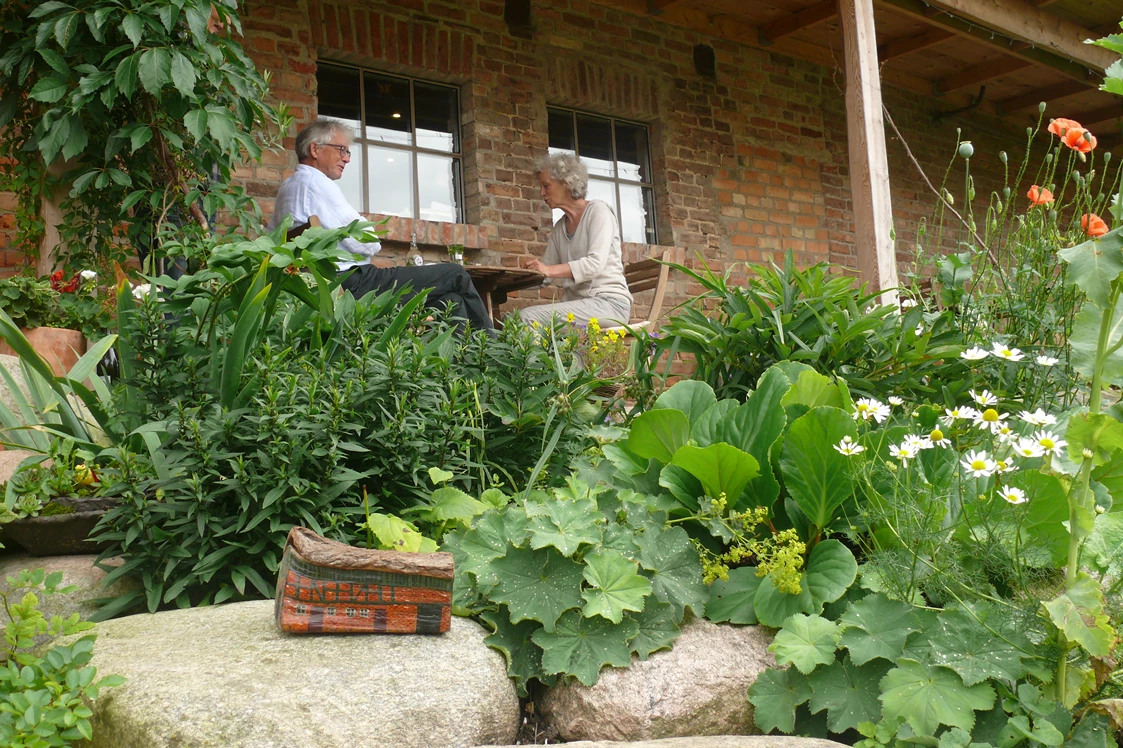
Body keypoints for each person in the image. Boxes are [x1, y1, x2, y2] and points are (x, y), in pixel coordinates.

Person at [269, 118, 493, 334]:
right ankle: (490, 351)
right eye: (341, 150)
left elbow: (273, 238)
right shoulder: (317, 184)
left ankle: (459, 362)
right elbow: (365, 241)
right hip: (353, 283)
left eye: (347, 152)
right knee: (455, 274)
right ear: (315, 149)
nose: (347, 159)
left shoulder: (288, 188)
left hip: (330, 283)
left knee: (450, 301)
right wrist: (369, 234)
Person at [520, 153, 632, 328]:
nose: (542, 193)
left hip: (609, 304)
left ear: (566, 182)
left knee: (526, 318)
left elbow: (594, 264)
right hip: (581, 307)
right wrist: (510, 280)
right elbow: (545, 277)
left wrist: (548, 269)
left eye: (546, 186)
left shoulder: (598, 211)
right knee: (511, 320)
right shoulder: (560, 228)